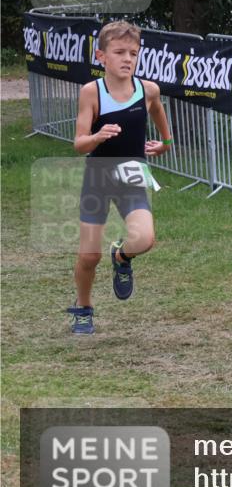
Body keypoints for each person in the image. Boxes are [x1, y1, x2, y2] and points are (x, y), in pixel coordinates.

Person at [67, 21, 173, 334]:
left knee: (145, 239)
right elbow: (78, 144)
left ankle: (121, 256)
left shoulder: (147, 89)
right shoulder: (92, 92)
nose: (127, 59)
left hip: (131, 175)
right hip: (98, 177)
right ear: (101, 56)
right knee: (88, 255)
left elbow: (156, 110)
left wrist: (165, 144)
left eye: (133, 53)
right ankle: (83, 307)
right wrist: (98, 136)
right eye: (119, 52)